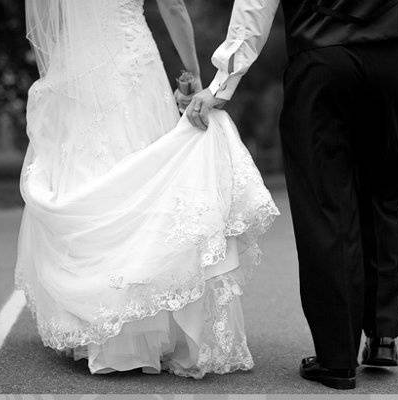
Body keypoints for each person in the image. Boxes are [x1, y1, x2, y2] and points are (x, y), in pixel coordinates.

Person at [187, 0, 398, 390]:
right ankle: (382, 334)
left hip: (322, 59)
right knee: (383, 194)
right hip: (392, 59)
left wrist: (222, 85)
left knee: (325, 205)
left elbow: (255, 7)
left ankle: (337, 358)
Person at [15, 0, 278, 378]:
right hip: (129, 66)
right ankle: (137, 328)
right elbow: (172, 6)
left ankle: (97, 327)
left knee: (91, 176)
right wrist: (195, 76)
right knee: (144, 185)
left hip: (77, 68)